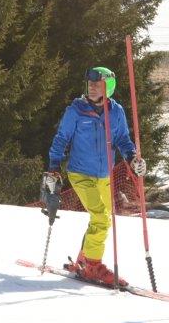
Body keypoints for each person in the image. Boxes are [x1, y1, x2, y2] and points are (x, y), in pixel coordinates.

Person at [43, 66, 146, 286]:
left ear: (108, 87)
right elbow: (61, 139)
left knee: (104, 219)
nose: (91, 87)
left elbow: (123, 140)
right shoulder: (76, 111)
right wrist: (53, 166)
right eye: (90, 83)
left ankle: (83, 259)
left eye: (97, 84)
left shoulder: (116, 112)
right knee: (100, 217)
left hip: (104, 175)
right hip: (80, 173)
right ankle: (92, 266)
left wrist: (132, 159)